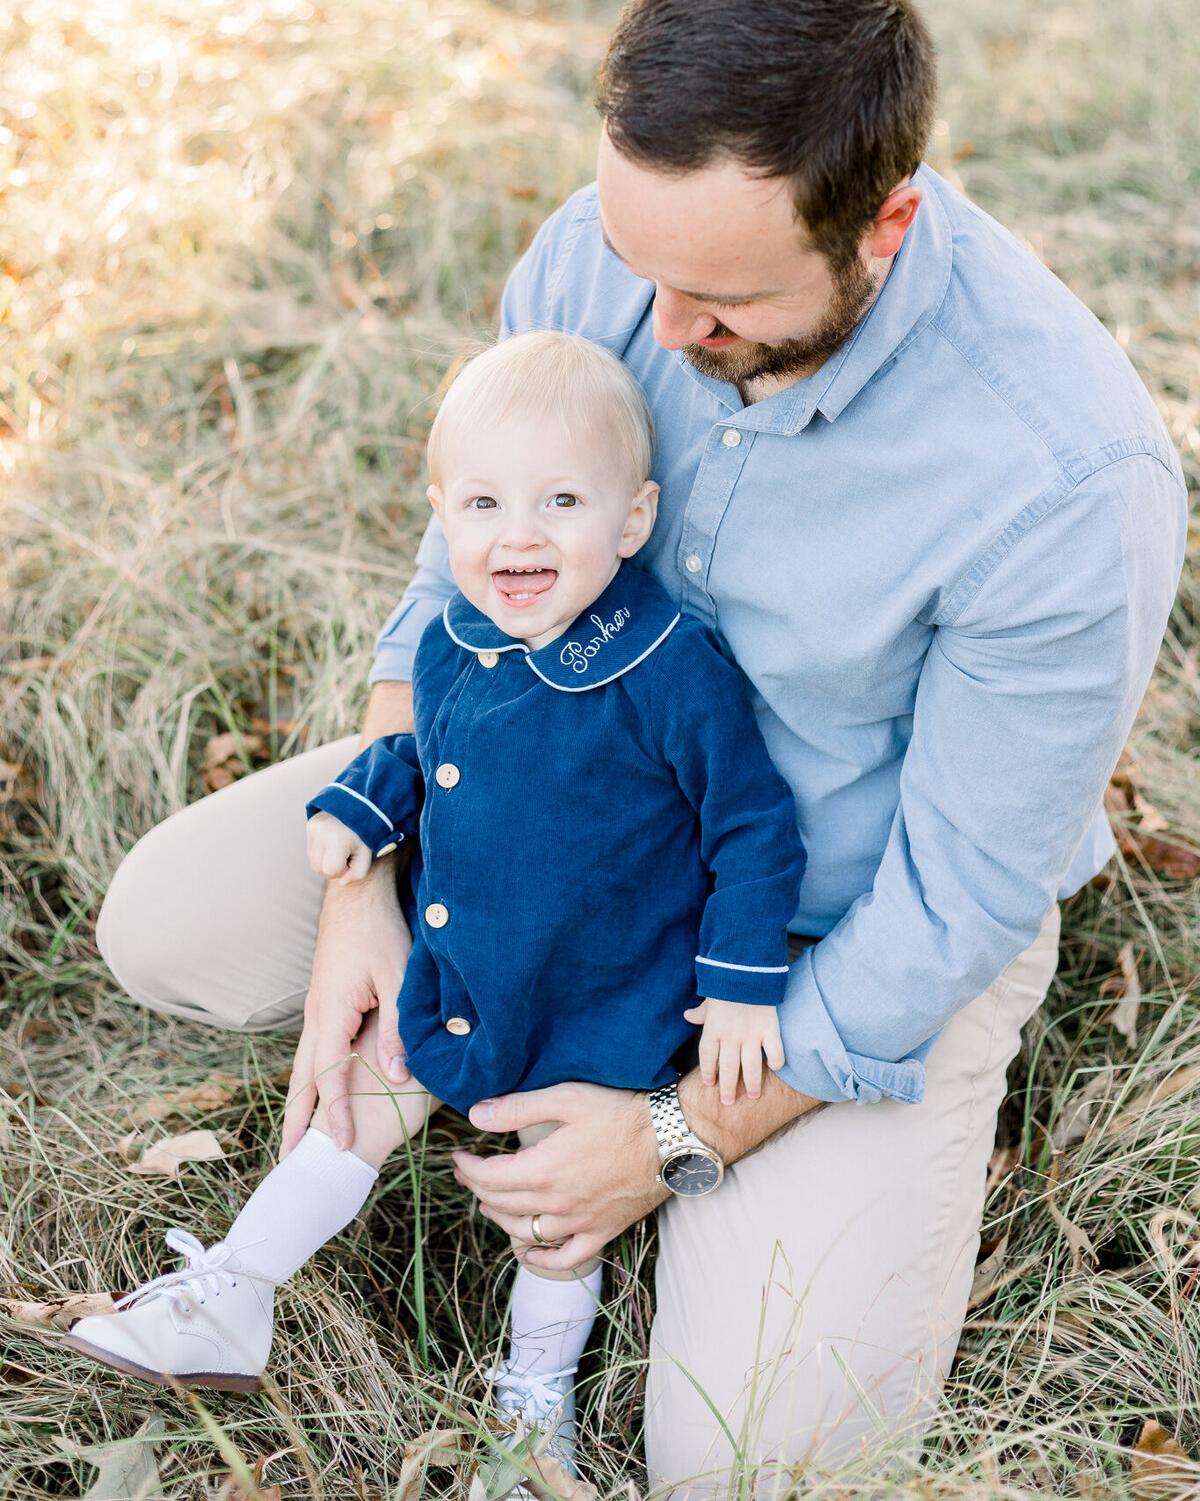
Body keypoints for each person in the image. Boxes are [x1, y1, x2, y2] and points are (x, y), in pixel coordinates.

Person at [93, 0, 1186, 1495]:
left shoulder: (1069, 480)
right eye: (641, 267)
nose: (663, 329)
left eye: (726, 300)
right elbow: (456, 561)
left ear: (886, 219)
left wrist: (673, 1141)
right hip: (530, 776)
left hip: (830, 916)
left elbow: (956, 897)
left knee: (754, 1464)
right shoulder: (620, 252)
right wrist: (371, 879)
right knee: (175, 930)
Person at [70, 332, 804, 1472]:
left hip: (599, 1009)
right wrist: (362, 812)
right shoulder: (457, 635)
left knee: (553, 1215)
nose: (519, 535)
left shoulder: (669, 668)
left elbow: (752, 825)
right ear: (441, 514)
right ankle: (235, 1289)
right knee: (356, 1102)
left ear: (633, 519)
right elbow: (423, 750)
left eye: (563, 501)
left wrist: (745, 989)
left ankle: (532, 1400)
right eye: (483, 503)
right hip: (463, 972)